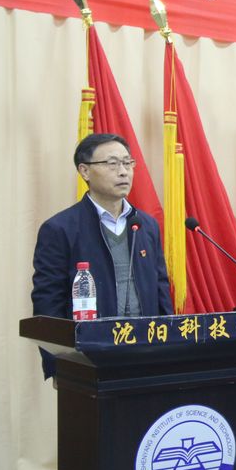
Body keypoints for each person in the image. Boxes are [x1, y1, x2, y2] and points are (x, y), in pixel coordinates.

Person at [32, 134, 172, 374]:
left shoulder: (145, 225)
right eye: (112, 163)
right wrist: (60, 365)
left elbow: (161, 291)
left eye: (128, 163)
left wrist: (168, 350)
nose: (123, 172)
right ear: (85, 171)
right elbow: (48, 304)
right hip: (90, 359)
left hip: (147, 355)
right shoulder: (60, 229)